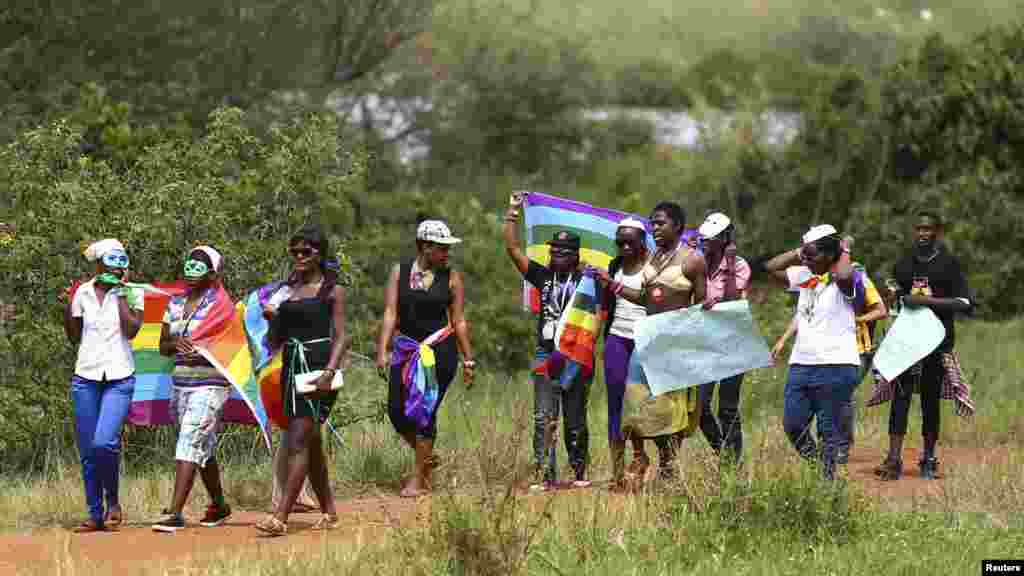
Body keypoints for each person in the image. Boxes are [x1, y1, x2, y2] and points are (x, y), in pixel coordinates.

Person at [598, 201, 707, 483]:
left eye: (661, 223)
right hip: (646, 338)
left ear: (678, 226)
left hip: (674, 342)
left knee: (669, 410)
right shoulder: (655, 257)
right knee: (634, 406)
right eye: (653, 224)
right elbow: (645, 298)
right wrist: (613, 285)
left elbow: (702, 305)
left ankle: (669, 465)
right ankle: (647, 456)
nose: (655, 228)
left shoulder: (693, 259)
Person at [256, 225, 347, 536]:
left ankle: (280, 516)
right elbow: (274, 340)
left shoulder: (332, 290)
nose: (298, 256)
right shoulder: (285, 292)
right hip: (291, 367)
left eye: (305, 251)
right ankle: (330, 512)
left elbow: (342, 337)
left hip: (319, 369)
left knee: (297, 436)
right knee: (311, 441)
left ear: (319, 254)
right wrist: (273, 319)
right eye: (293, 251)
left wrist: (330, 372)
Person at [870, 211, 974, 481]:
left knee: (929, 399)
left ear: (937, 231)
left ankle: (928, 459)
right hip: (907, 340)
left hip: (936, 341)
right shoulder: (905, 262)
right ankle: (893, 460)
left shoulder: (948, 264)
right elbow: (896, 292)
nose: (922, 234)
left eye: (928, 229)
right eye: (918, 229)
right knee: (900, 397)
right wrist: (893, 294)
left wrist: (926, 302)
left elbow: (964, 303)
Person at [376, 219, 474, 498]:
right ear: (424, 246)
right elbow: (390, 313)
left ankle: (419, 480)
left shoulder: (451, 277)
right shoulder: (400, 272)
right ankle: (427, 458)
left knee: (424, 412)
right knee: (396, 410)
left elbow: (459, 320)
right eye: (441, 248)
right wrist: (383, 350)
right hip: (406, 350)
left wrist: (468, 360)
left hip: (438, 353)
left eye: (447, 248)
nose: (446, 254)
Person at [504, 193, 592, 489]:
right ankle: (545, 475)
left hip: (576, 355)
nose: (555, 257)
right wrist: (512, 215)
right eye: (553, 251)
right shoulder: (543, 277)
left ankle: (579, 472)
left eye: (563, 253)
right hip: (546, 353)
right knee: (544, 416)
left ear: (575, 257)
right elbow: (512, 249)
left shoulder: (587, 282)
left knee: (575, 417)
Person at [764, 225, 863, 479]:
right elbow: (771, 268)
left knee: (828, 430)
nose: (807, 260)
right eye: (805, 255)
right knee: (793, 424)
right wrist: (801, 252)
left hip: (837, 364)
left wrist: (842, 249)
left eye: (813, 254)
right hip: (802, 363)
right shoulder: (806, 275)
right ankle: (819, 465)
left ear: (831, 253)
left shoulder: (851, 275)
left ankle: (826, 483)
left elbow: (842, 275)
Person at [63, 239, 144, 532]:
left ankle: (112, 499)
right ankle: (94, 514)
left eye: (121, 263)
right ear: (98, 265)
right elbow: (73, 337)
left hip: (119, 378)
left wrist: (121, 294)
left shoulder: (133, 293)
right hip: (86, 378)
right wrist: (68, 304)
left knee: (104, 442)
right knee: (88, 449)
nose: (117, 268)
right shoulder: (83, 293)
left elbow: (132, 330)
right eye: (111, 263)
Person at [152, 246, 233, 532]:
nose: (191, 271)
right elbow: (162, 346)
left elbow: (229, 345)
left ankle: (175, 512)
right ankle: (219, 505)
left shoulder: (221, 307)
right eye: (189, 265)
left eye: (199, 267)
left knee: (189, 439)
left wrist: (200, 347)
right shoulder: (174, 304)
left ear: (213, 274)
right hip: (181, 384)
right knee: (201, 444)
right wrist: (177, 344)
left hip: (211, 384)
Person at [696, 213, 752, 464]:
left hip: (732, 343)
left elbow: (730, 300)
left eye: (710, 239)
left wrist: (728, 263)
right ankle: (723, 452)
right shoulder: (696, 262)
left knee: (727, 407)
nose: (704, 243)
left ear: (725, 239)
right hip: (704, 343)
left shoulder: (739, 266)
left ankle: (732, 462)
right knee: (699, 407)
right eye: (703, 239)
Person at [599, 217, 649, 489]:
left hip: (644, 341)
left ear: (642, 241)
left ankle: (641, 457)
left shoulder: (654, 267)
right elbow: (606, 306)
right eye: (620, 242)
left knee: (638, 406)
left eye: (630, 241)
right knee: (615, 406)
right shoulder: (614, 266)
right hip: (617, 338)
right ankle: (617, 473)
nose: (624, 246)